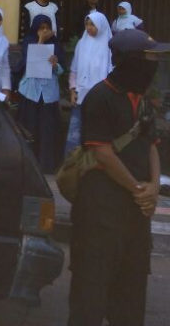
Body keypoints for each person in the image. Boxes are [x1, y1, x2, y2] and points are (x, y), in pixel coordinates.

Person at [67, 29, 168, 326]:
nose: (153, 66)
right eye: (147, 59)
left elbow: (151, 146)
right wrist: (140, 189)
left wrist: (154, 186)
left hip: (135, 214)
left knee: (132, 292)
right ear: (127, 62)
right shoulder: (100, 97)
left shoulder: (143, 100)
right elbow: (103, 154)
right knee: (91, 292)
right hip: (100, 212)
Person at [15, 15, 65, 173]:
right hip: (31, 91)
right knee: (30, 128)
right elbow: (30, 64)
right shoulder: (29, 41)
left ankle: (46, 166)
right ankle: (29, 164)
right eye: (41, 28)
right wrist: (41, 42)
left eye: (46, 28)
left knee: (47, 130)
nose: (44, 31)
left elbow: (62, 69)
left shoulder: (56, 43)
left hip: (48, 93)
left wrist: (55, 64)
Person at [66, 12, 114, 155]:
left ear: (101, 25)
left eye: (92, 24)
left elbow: (112, 72)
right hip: (80, 97)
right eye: (87, 24)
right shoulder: (82, 43)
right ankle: (71, 169)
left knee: (95, 137)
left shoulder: (109, 46)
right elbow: (74, 69)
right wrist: (73, 90)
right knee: (74, 136)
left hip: (99, 100)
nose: (89, 27)